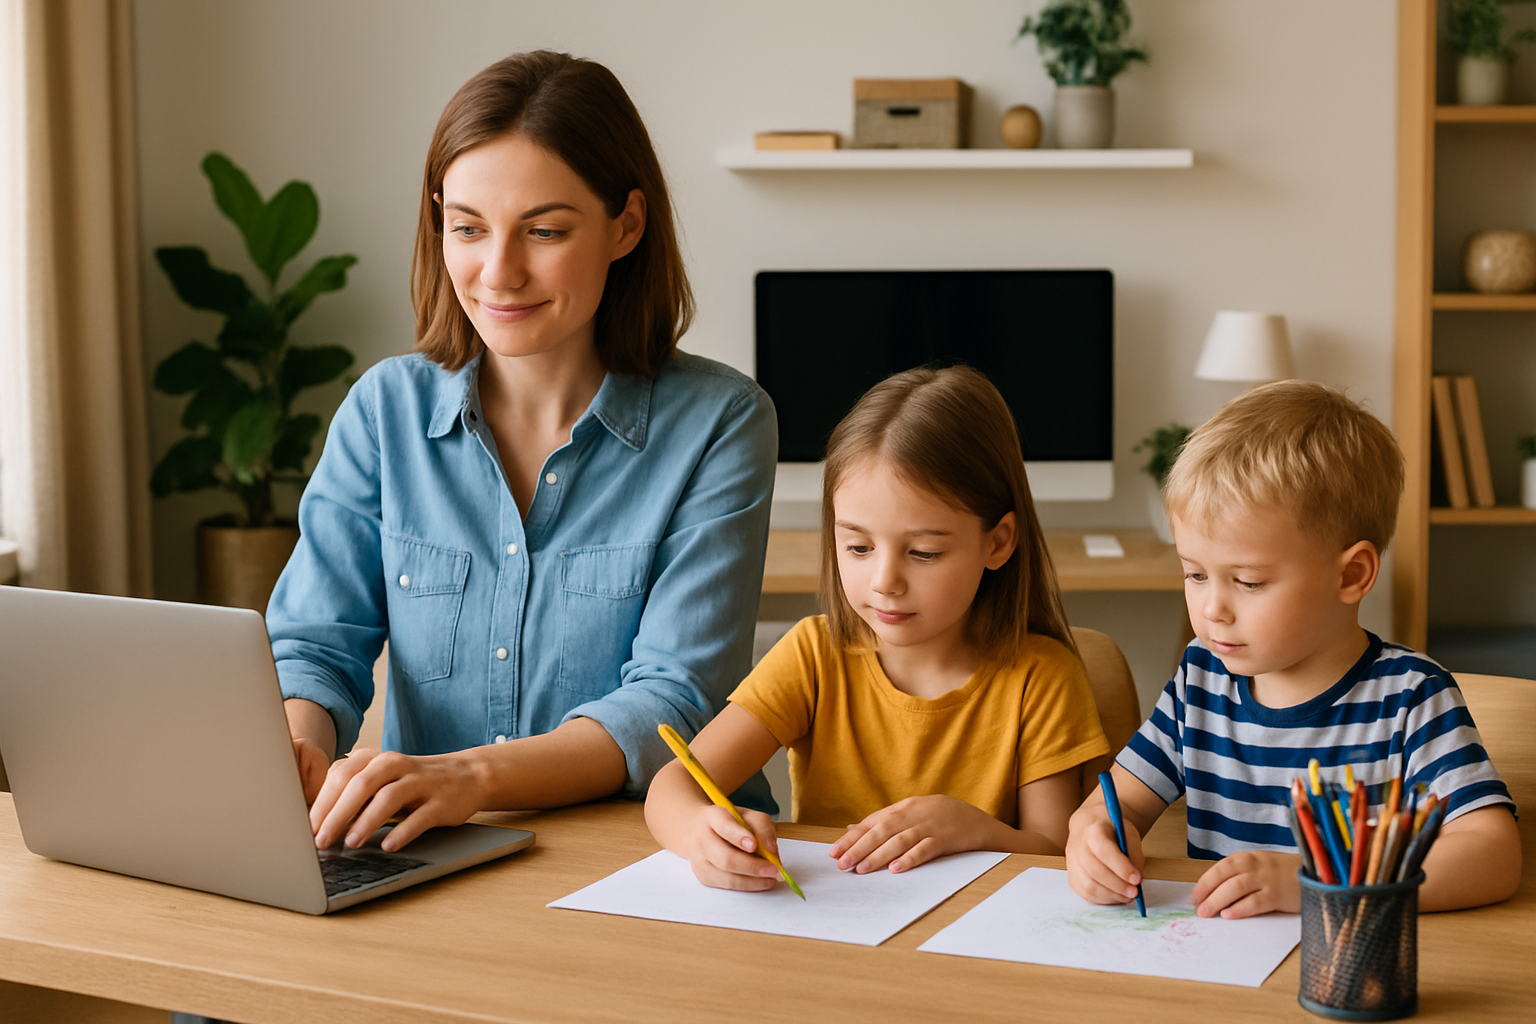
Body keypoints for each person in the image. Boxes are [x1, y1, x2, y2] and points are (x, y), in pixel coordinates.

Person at [266, 51, 778, 855]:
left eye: (543, 231)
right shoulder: (383, 411)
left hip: (660, 859)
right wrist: (300, 748)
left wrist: (470, 778)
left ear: (627, 226)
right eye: (467, 228)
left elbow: (672, 701)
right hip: (428, 851)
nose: (497, 273)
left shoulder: (722, 422)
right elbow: (313, 645)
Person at [1066, 380, 1521, 918]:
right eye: (1194, 574)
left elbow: (1492, 854)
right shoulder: (1201, 680)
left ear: (1352, 574)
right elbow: (1116, 804)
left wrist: (1317, 883)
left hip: (1348, 968)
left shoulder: (1410, 697)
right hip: (1223, 967)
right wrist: (1091, 835)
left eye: (1249, 582)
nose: (1213, 608)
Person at [645, 365, 1111, 890]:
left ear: (998, 543)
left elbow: (1051, 851)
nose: (885, 581)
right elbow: (672, 786)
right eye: (859, 547)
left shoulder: (1042, 678)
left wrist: (973, 828)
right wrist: (700, 833)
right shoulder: (813, 654)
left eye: (924, 552)